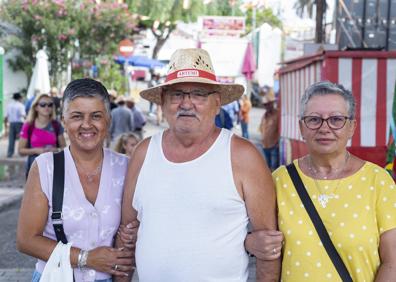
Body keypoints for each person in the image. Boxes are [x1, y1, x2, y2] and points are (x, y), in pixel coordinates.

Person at [116, 48, 279, 281]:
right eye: (177, 94)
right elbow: (127, 233)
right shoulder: (144, 153)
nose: (187, 103)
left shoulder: (243, 156)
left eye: (199, 94)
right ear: (163, 102)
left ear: (217, 102)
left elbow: (267, 245)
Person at [245, 81, 396, 281]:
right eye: (314, 119)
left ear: (351, 127)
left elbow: (392, 262)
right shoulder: (279, 181)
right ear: (301, 127)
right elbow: (257, 238)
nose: (325, 128)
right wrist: (249, 243)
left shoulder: (378, 182)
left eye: (336, 119)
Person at [17, 78, 135, 282]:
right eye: (77, 116)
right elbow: (26, 240)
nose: (87, 125)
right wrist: (86, 258)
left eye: (96, 116)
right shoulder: (46, 167)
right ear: (63, 120)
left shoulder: (126, 167)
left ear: (108, 120)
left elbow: (130, 238)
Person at [18, 93, 67, 178]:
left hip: (53, 169)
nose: (47, 107)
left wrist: (56, 150)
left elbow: (64, 148)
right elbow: (20, 150)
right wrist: (37, 150)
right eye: (43, 105)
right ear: (36, 107)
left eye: (50, 105)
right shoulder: (29, 126)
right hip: (34, 169)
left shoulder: (56, 125)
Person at [259, 88, 279, 171]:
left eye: (268, 104)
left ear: (272, 104)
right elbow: (261, 128)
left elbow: (280, 130)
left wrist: (277, 143)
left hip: (274, 146)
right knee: (267, 167)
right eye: (265, 105)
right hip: (265, 145)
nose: (267, 106)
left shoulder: (277, 114)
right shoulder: (264, 115)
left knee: (274, 168)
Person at [5, 92, 26, 158]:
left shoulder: (9, 105)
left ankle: (10, 153)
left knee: (11, 139)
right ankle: (21, 152)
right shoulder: (21, 105)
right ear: (19, 98)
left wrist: (6, 125)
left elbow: (6, 116)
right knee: (21, 138)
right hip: (19, 123)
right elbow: (23, 115)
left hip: (11, 123)